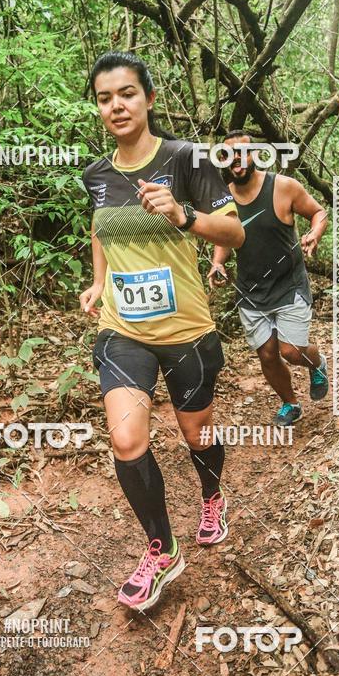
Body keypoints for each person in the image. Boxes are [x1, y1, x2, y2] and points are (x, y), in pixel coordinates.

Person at [79, 52, 245, 612]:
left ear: (148, 99)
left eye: (126, 93)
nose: (116, 106)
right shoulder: (97, 175)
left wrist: (183, 216)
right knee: (127, 440)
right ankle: (161, 548)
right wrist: (99, 282)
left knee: (196, 435)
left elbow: (235, 232)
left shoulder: (185, 159)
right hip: (123, 331)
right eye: (105, 98)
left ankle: (212, 496)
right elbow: (101, 230)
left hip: (187, 331)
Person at [209, 131, 329, 425]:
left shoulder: (283, 187)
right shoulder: (224, 197)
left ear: (255, 155)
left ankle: (318, 362)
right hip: (251, 291)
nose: (236, 161)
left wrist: (314, 234)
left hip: (289, 285)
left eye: (242, 153)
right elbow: (224, 236)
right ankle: (291, 404)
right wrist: (217, 264)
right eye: (228, 156)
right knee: (267, 355)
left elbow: (319, 212)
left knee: (290, 350)